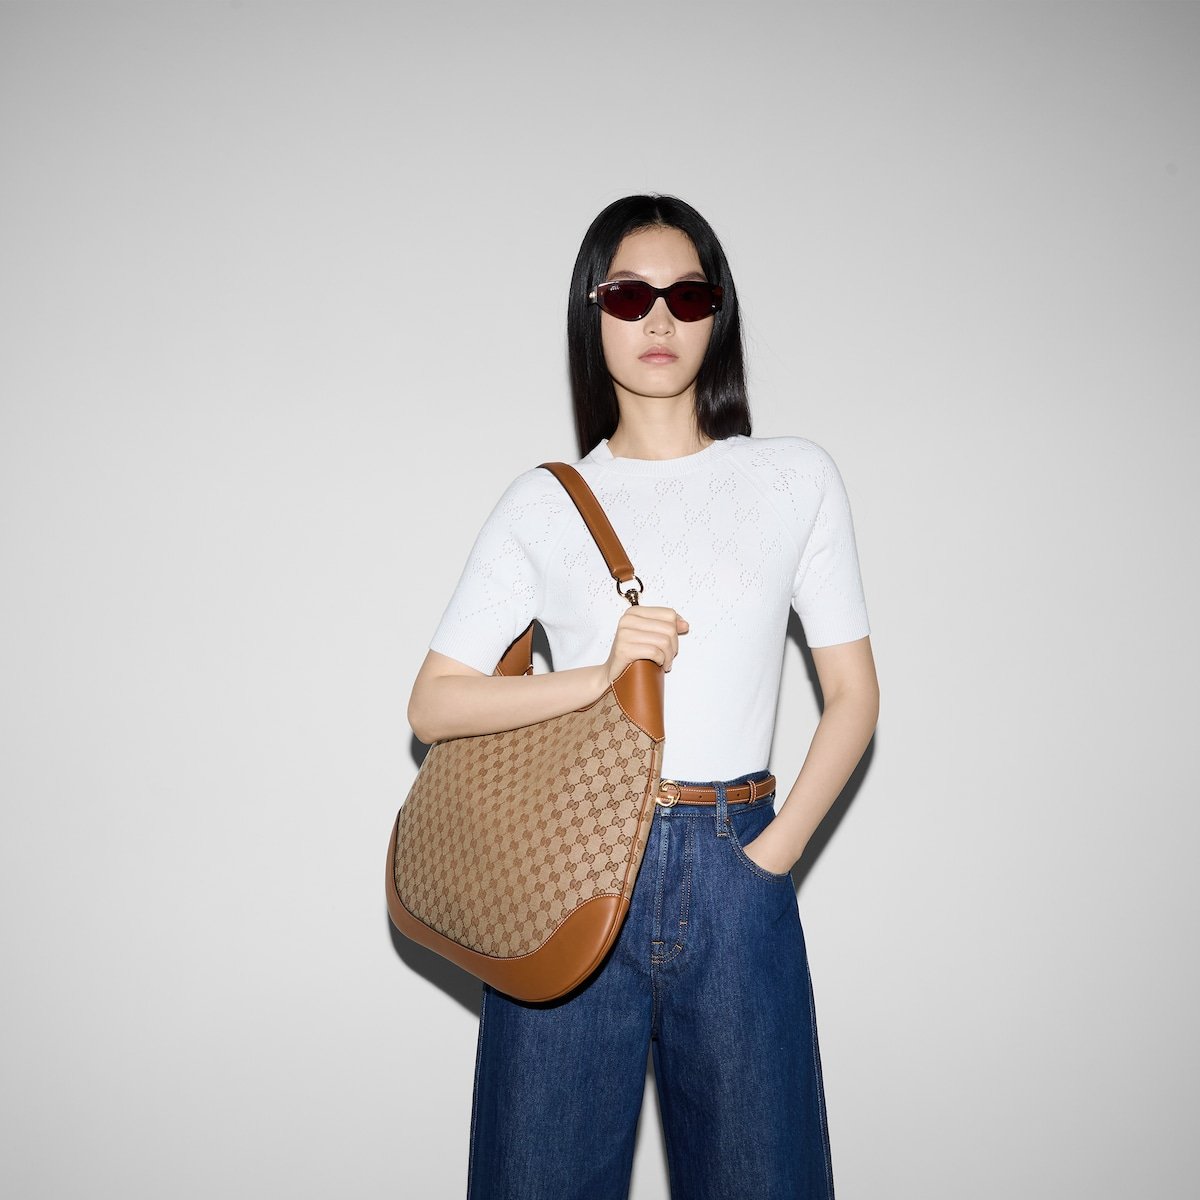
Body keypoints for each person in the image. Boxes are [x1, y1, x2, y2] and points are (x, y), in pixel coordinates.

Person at [406, 194, 880, 1200]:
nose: (659, 318)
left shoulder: (794, 479)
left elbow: (852, 696)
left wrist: (770, 862)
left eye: (687, 295)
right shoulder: (544, 502)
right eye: (629, 295)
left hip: (736, 863)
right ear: (594, 312)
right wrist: (601, 677)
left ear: (718, 314)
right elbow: (434, 706)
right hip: (573, 864)